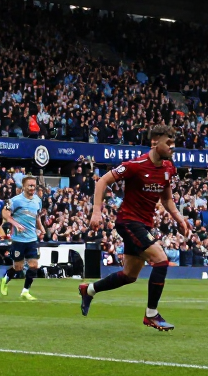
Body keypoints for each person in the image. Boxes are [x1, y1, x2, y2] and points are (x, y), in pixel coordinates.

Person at [80, 124, 191, 331]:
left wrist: (179, 219)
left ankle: (89, 290)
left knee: (129, 275)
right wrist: (96, 211)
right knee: (161, 260)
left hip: (145, 224)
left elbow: (167, 200)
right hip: (128, 221)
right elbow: (102, 181)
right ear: (154, 142)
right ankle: (151, 314)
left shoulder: (168, 168)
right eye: (169, 142)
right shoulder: (136, 165)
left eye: (174, 143)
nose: (172, 147)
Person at [1, 175, 45, 301]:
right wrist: (15, 224)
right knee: (18, 267)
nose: (32, 188)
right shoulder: (15, 200)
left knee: (34, 265)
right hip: (18, 240)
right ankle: (5, 279)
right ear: (24, 186)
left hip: (32, 239)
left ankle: (25, 291)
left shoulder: (37, 200)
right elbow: (5, 213)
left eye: (34, 185)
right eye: (30, 185)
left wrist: (41, 227)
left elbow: (36, 216)